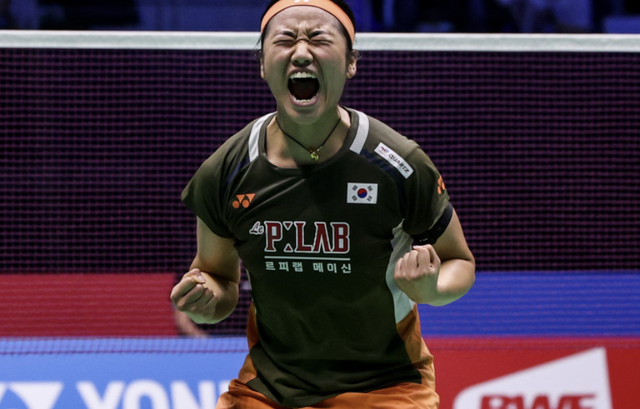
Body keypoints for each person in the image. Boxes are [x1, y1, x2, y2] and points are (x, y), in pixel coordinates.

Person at [170, 1, 476, 408]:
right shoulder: (226, 171)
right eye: (285, 40)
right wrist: (205, 302)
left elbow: (460, 262)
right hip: (270, 390)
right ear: (261, 64)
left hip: (385, 386)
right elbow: (218, 279)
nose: (301, 52)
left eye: (318, 38)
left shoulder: (397, 163)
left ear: (351, 62)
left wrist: (431, 289)